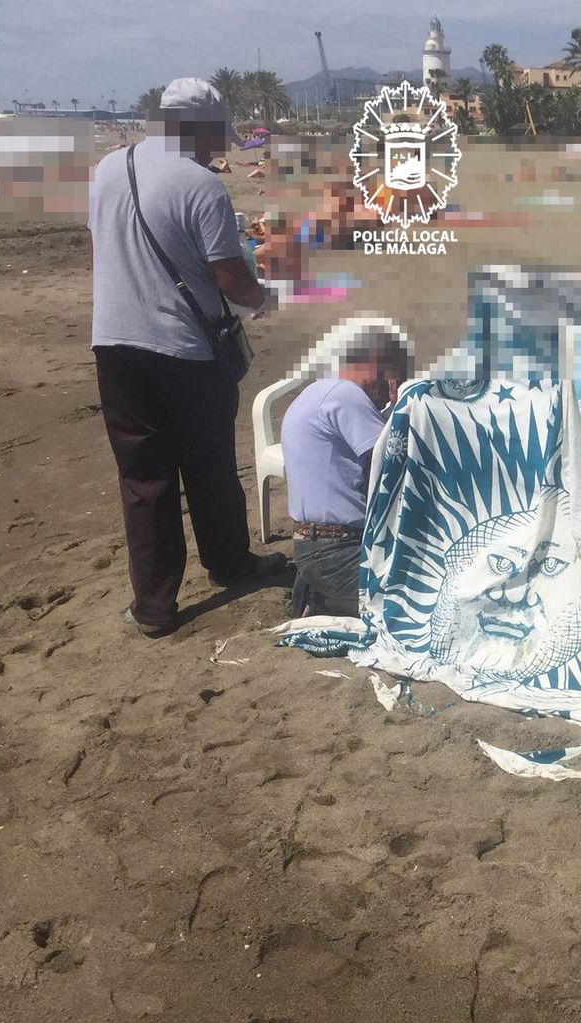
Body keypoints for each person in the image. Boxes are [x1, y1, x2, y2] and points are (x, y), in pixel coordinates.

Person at [89, 77, 285, 638]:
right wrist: (264, 298)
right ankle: (229, 563)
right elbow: (231, 278)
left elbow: (100, 251)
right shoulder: (199, 185)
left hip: (113, 344)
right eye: (217, 133)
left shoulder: (108, 167)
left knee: (143, 479)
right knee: (209, 466)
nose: (221, 145)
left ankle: (154, 606)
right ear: (197, 129)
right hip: (183, 350)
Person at [283, 330, 414, 616]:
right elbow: (392, 465)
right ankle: (330, 605)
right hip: (336, 551)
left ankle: (322, 594)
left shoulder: (319, 391)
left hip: (315, 547)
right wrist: (400, 403)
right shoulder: (346, 396)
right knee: (425, 590)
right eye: (396, 375)